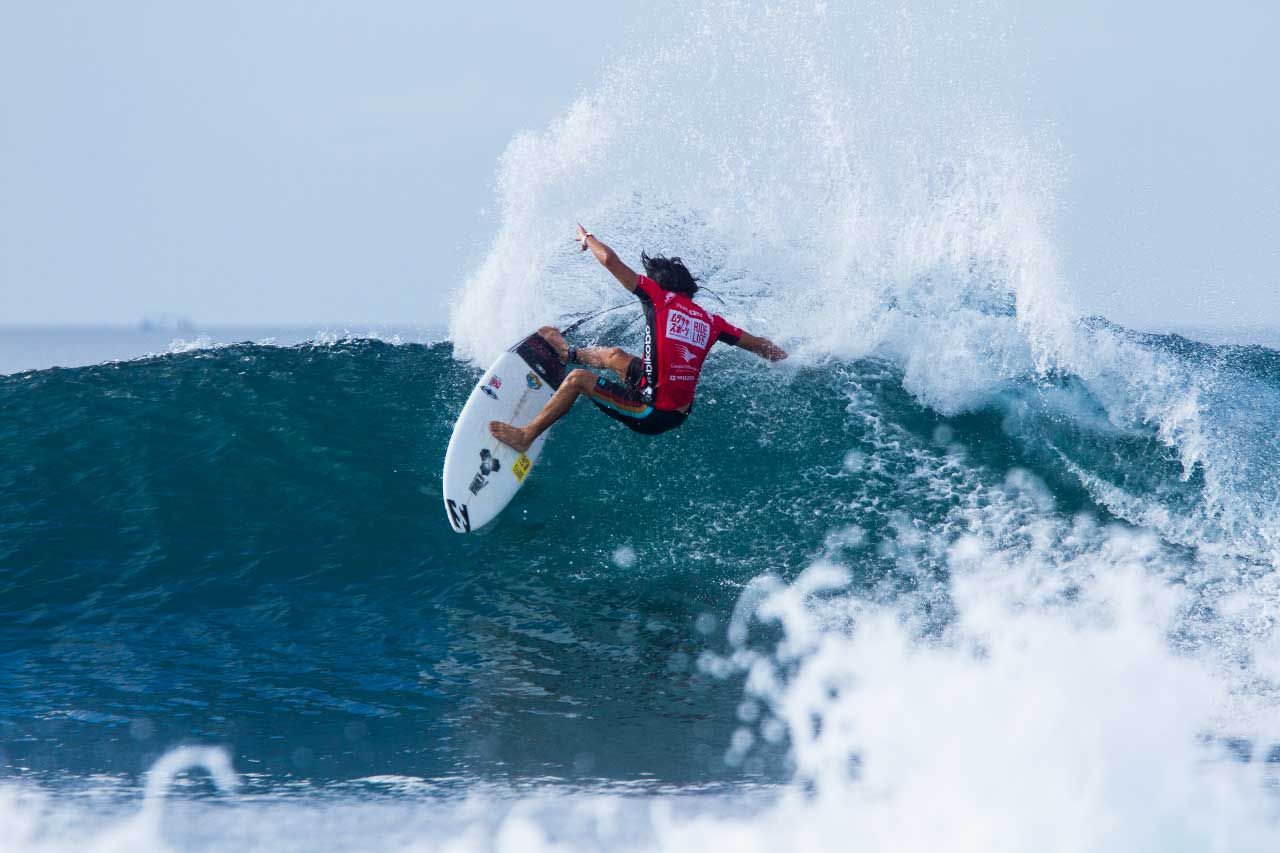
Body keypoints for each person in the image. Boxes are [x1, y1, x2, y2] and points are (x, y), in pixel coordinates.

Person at [489, 224, 787, 453]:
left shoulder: (658, 298)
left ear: (660, 284)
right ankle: (566, 353)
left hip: (652, 412)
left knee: (579, 379)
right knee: (615, 356)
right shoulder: (712, 322)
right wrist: (788, 359)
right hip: (677, 408)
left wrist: (587, 238)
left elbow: (608, 259)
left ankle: (525, 436)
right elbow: (758, 344)